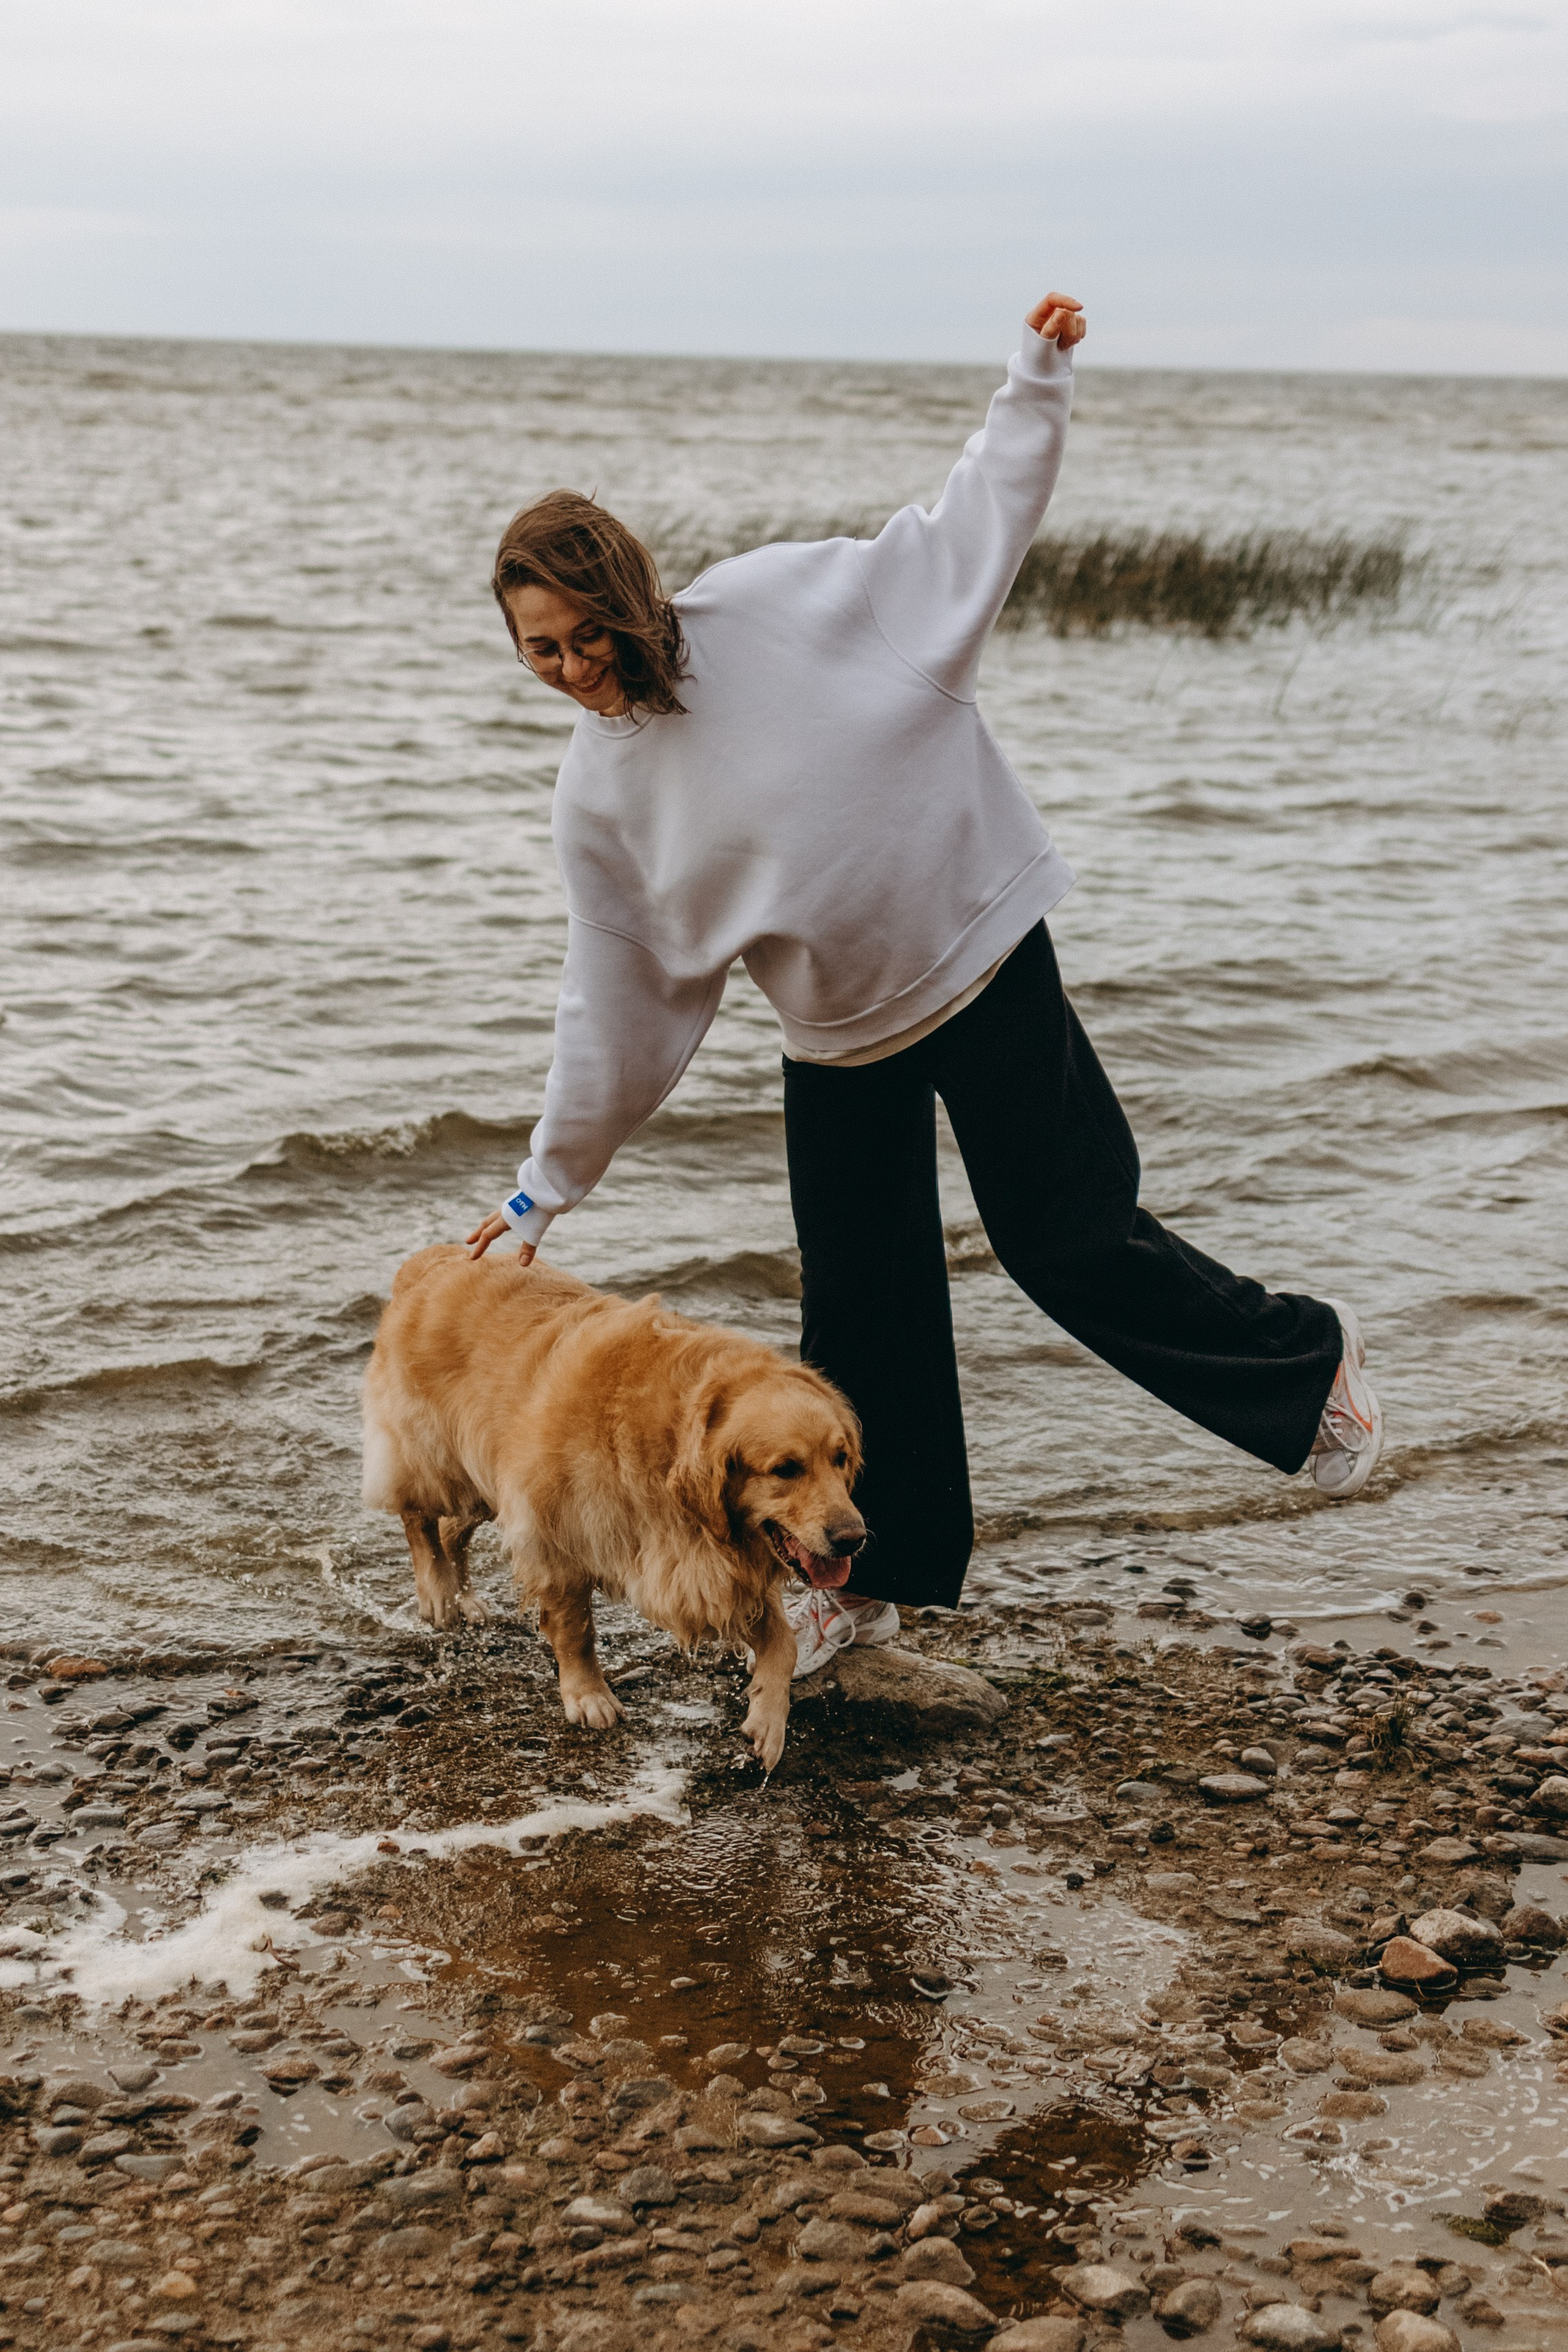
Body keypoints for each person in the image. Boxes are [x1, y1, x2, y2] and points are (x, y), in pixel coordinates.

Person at [466, 290, 1383, 1678]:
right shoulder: (596, 799)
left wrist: (1035, 376)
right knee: (860, 1313)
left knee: (1062, 1236)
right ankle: (864, 1584)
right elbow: (623, 997)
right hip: (835, 1041)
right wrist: (545, 1184)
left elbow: (970, 529)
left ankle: (1305, 1371)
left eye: (587, 632)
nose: (576, 669)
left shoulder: (787, 603)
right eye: (543, 653)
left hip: (982, 958)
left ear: (631, 593)